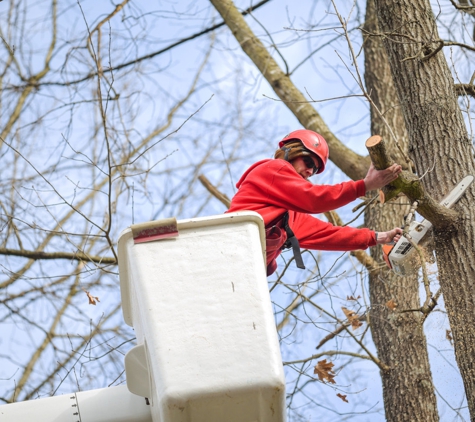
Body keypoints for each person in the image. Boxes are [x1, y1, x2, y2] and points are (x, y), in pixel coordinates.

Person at [227, 129, 403, 276]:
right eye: (308, 161)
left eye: (315, 168)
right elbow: (315, 198)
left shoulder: (288, 216)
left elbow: (328, 234)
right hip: (229, 247)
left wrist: (378, 237)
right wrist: (364, 186)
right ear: (290, 153)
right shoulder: (273, 170)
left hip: (243, 270)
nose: (310, 171)